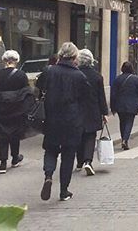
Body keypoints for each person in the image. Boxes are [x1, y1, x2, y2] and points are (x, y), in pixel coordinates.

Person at [40, 42, 90, 202]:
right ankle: (63, 190)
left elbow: (39, 88)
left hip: (52, 117)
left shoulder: (49, 71)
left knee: (50, 149)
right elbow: (86, 99)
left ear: (60, 55)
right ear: (75, 57)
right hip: (72, 120)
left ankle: (48, 175)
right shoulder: (79, 76)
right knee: (68, 155)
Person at [0, 50, 33, 174]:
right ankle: (15, 158)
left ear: (4, 61)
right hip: (16, 109)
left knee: (2, 135)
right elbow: (27, 93)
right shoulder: (21, 75)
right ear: (16, 61)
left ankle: (3, 163)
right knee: (15, 133)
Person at [76, 49, 108, 175]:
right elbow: (101, 96)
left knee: (79, 135)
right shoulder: (97, 76)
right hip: (92, 109)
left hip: (77, 110)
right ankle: (88, 161)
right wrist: (104, 112)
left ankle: (79, 161)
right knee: (90, 136)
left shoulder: (75, 74)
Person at [110, 62, 138, 151]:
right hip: (132, 104)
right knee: (129, 122)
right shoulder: (136, 79)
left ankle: (123, 139)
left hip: (120, 104)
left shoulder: (117, 79)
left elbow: (113, 94)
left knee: (122, 122)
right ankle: (125, 139)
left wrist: (112, 107)